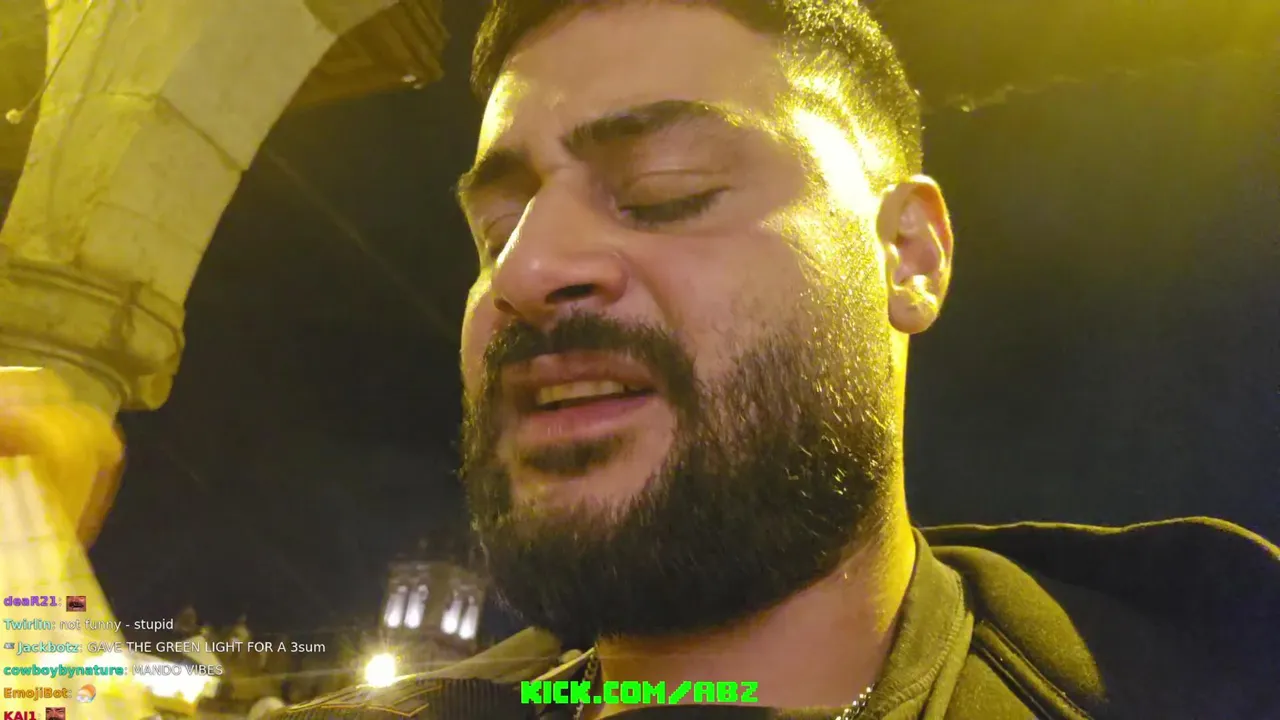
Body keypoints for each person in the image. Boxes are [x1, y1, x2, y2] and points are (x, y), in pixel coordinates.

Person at [4, 2, 1276, 719]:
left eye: (664, 191)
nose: (522, 274)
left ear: (906, 255)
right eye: (493, 230)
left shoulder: (1199, 671)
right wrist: (23, 548)